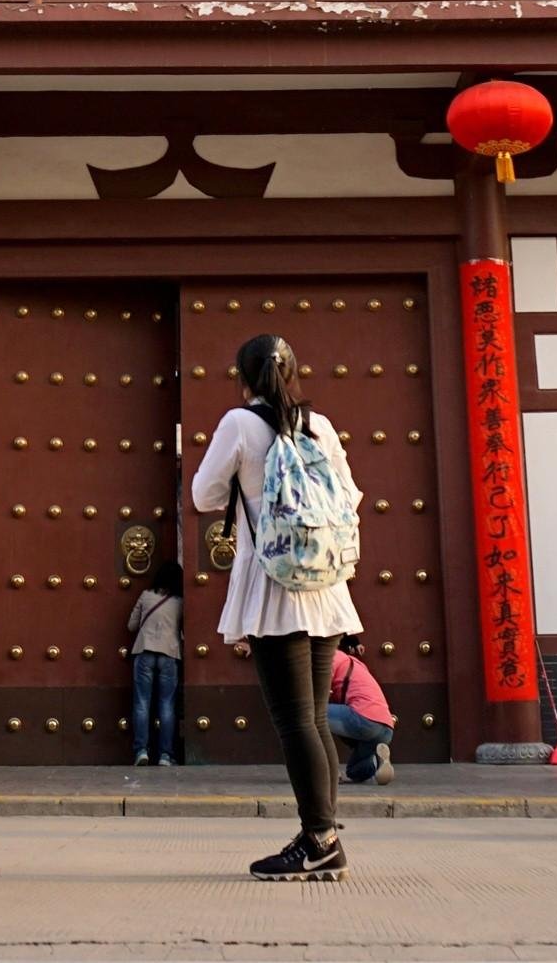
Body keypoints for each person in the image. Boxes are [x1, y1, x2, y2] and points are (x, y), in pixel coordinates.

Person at [190, 333, 363, 881]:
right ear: (292, 375)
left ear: (244, 378)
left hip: (274, 585)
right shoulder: (321, 425)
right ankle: (322, 836)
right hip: (325, 584)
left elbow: (203, 495)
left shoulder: (239, 424)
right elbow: (350, 495)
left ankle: (320, 839)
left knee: (295, 724)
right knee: (312, 719)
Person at [126, 558, 182, 767]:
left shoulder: (146, 596)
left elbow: (131, 625)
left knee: (142, 703)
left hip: (144, 651)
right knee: (167, 705)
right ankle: (166, 755)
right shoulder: (179, 602)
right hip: (169, 653)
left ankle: (141, 751)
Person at [326, 632, 395, 786]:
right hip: (386, 728)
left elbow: (319, 689)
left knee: (310, 714)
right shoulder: (357, 664)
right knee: (354, 771)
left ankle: (327, 771)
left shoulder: (332, 656)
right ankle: (377, 763)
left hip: (362, 719)